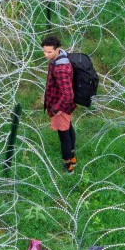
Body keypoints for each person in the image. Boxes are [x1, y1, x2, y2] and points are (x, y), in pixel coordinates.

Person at [42, 35, 77, 172]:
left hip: (61, 106)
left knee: (64, 136)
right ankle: (72, 157)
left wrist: (56, 108)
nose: (46, 54)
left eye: (49, 52)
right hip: (65, 105)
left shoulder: (61, 68)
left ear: (57, 50)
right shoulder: (60, 58)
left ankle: (67, 164)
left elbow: (68, 95)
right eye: (44, 51)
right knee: (68, 129)